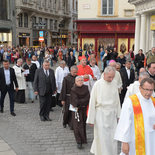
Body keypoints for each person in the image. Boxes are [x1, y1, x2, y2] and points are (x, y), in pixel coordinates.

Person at [114, 78, 155, 155]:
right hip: (135, 140)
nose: (149, 93)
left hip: (151, 140)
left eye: (151, 90)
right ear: (140, 88)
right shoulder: (131, 101)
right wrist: (124, 142)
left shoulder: (153, 101)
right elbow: (124, 122)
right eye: (146, 89)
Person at [87, 66, 121, 155]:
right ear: (104, 74)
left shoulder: (114, 83)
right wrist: (91, 119)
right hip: (101, 114)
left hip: (112, 115)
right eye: (109, 77)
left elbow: (117, 101)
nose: (111, 79)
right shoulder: (97, 84)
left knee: (113, 137)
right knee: (102, 138)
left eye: (113, 77)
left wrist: (119, 115)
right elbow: (92, 102)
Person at [70, 76, 90, 149]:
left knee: (83, 124)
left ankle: (83, 139)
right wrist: (83, 101)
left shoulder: (86, 87)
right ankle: (79, 141)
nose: (80, 82)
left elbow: (88, 97)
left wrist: (82, 101)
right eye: (79, 80)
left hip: (84, 108)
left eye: (82, 80)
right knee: (77, 125)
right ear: (75, 82)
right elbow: (75, 101)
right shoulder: (73, 89)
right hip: (76, 109)